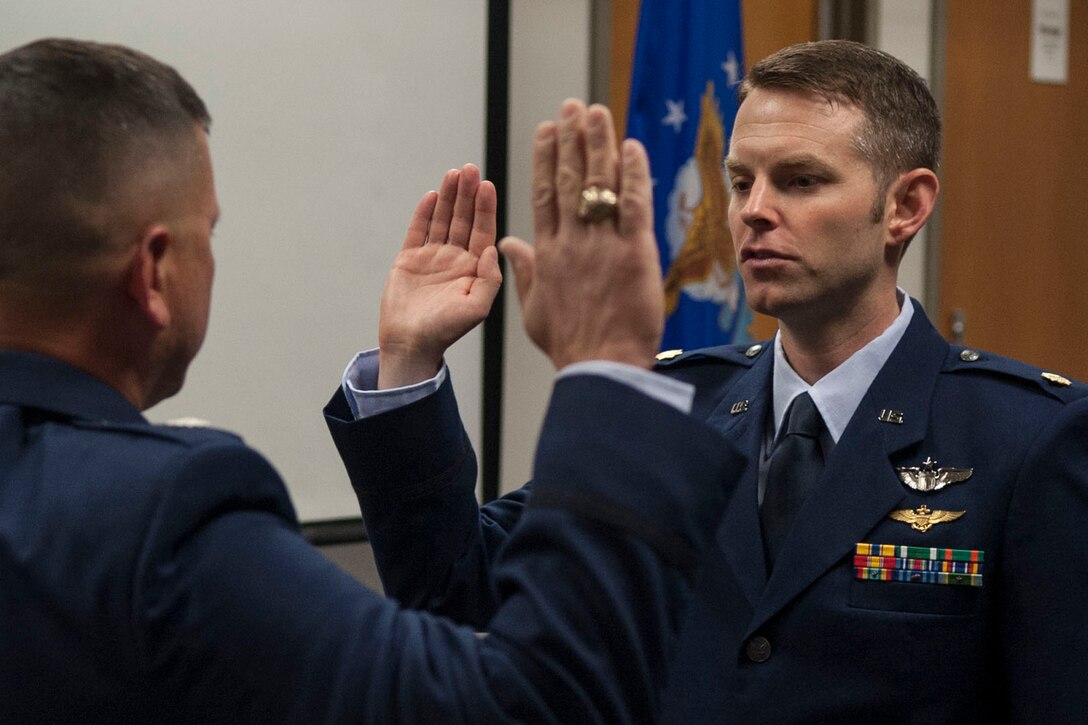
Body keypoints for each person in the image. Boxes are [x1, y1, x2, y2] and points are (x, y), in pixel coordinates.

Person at [327, 39, 1088, 723]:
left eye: (799, 180)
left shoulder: (1027, 437)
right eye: (740, 180)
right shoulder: (676, 409)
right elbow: (454, 586)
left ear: (906, 206)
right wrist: (409, 361)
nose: (753, 212)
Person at [0, 37, 744, 723]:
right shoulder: (159, 516)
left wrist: (408, 362)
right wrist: (608, 366)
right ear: (154, 271)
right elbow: (531, 699)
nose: (758, 210)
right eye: (211, 231)